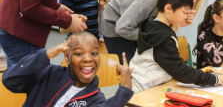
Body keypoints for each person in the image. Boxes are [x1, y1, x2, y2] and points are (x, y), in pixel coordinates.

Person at [129, 0, 223, 93]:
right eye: (184, 12)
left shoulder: (151, 24)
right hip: (146, 90)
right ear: (168, 8)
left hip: (142, 84)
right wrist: (211, 79)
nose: (185, 16)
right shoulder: (163, 38)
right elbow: (180, 71)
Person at [2, 31, 134, 107]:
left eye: (94, 53)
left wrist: (126, 89)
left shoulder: (95, 98)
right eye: (79, 54)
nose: (88, 59)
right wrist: (44, 55)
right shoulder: (47, 74)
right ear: (67, 57)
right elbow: (10, 80)